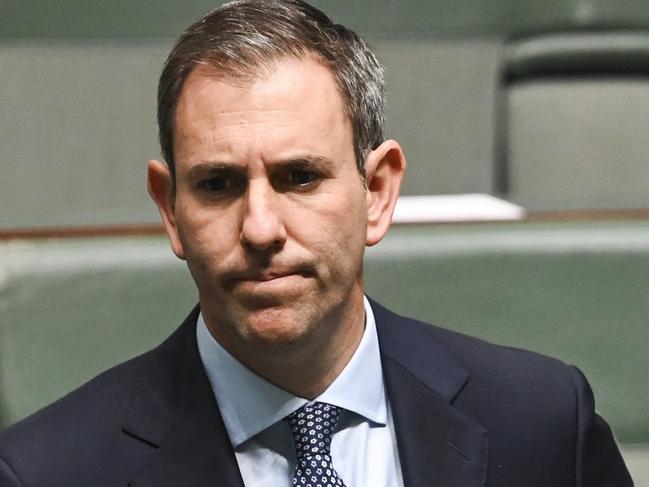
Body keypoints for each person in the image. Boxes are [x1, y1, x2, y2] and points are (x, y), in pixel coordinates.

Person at [0, 1, 633, 486]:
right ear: (170, 209)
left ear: (378, 192)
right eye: (217, 184)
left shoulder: (542, 423)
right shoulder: (50, 470)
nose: (260, 228)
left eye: (299, 177)